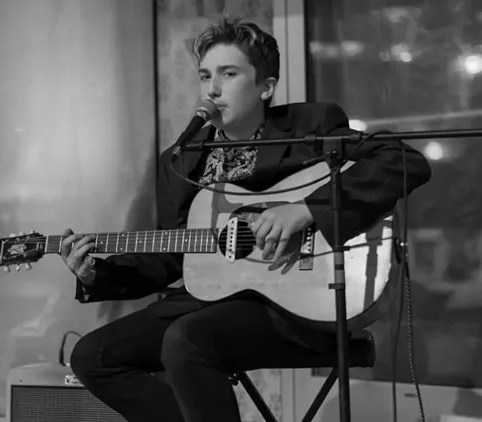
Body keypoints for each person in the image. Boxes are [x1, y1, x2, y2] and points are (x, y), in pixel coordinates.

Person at [59, 16, 432, 422]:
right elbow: (170, 257)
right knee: (92, 356)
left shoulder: (308, 127)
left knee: (188, 339)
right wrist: (96, 274)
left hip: (294, 303)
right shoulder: (181, 161)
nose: (212, 89)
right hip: (210, 299)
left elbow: (402, 161)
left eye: (229, 74)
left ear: (265, 87)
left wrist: (306, 209)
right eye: (205, 76)